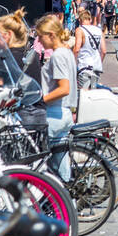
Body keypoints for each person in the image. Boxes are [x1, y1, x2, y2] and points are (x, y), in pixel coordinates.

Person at [34, 14, 77, 182]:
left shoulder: (58, 55)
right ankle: (66, 202)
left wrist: (41, 99)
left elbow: (64, 88)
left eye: (41, 36)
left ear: (52, 35)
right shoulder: (67, 52)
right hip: (65, 114)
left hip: (54, 113)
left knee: (38, 163)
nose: (39, 40)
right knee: (61, 166)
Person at [75, 11, 106, 89]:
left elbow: (77, 49)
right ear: (90, 20)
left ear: (79, 20)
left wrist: (73, 63)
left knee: (84, 93)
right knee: (92, 92)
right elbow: (104, 51)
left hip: (85, 66)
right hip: (96, 67)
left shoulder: (80, 30)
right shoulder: (99, 30)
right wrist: (99, 62)